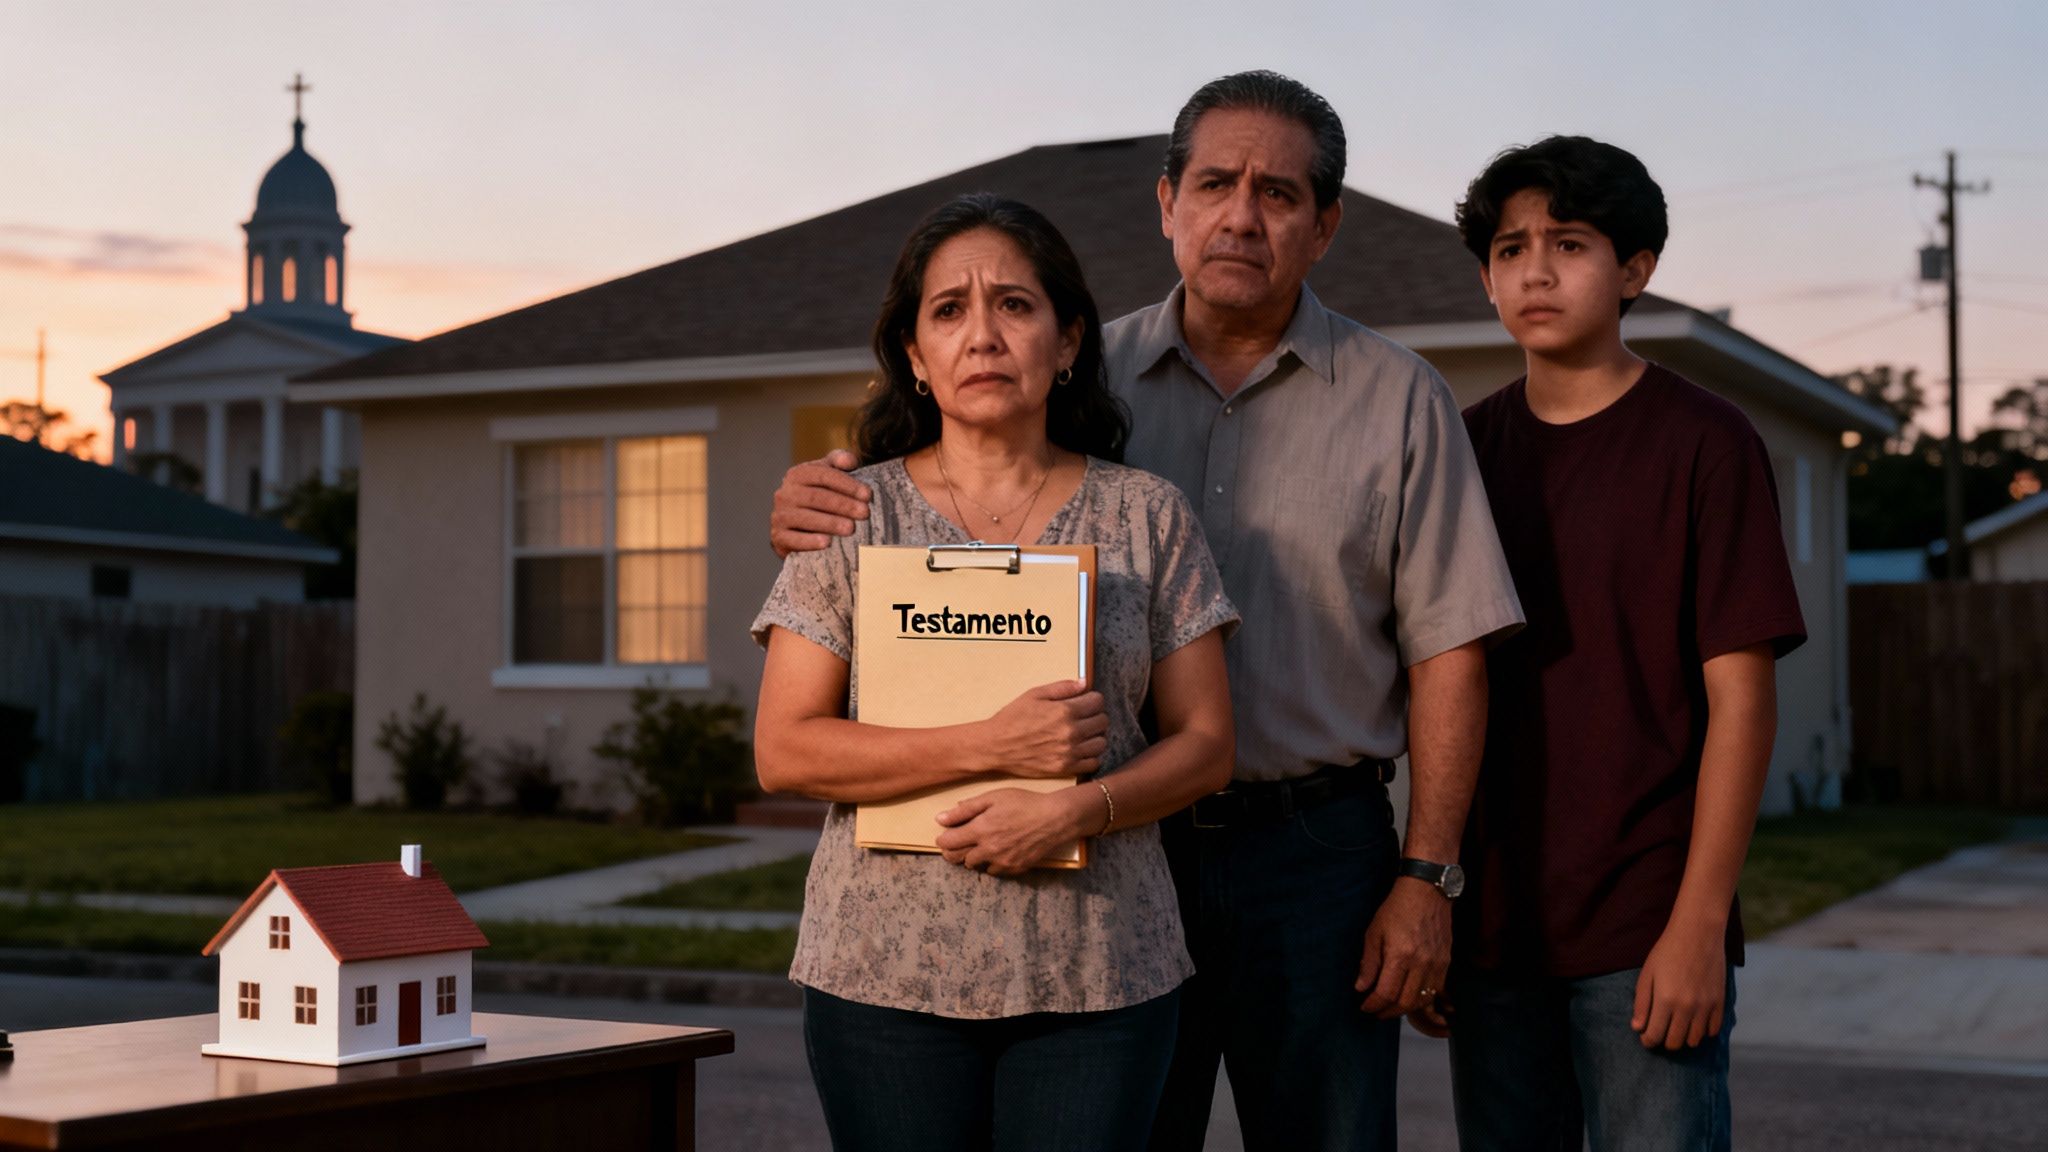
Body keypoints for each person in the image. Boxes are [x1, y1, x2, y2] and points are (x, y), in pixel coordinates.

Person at [772, 72, 1523, 1152]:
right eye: (1214, 184)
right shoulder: (1067, 365)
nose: (1241, 216)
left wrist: (1425, 877)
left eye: (1277, 193)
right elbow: (940, 476)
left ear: (1323, 227)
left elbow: (1450, 651)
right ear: (1167, 202)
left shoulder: (1400, 399)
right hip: (1125, 856)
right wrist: (821, 497)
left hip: (1312, 854)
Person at [750, 191, 1240, 1152]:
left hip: (1100, 974)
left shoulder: (1147, 515)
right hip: (883, 976)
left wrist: (1074, 810)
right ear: (915, 355)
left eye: (1014, 304)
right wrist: (995, 743)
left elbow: (1208, 744)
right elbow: (785, 751)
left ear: (1068, 342)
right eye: (949, 310)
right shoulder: (849, 515)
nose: (982, 335)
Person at [1416, 136, 1806, 1152]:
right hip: (1494, 921)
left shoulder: (1705, 442)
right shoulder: (1461, 452)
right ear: (1486, 278)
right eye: (1510, 249)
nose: (1535, 272)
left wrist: (1698, 927)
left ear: (1634, 269)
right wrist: (1435, 899)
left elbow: (1742, 701)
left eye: (1569, 244)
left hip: (1645, 920)